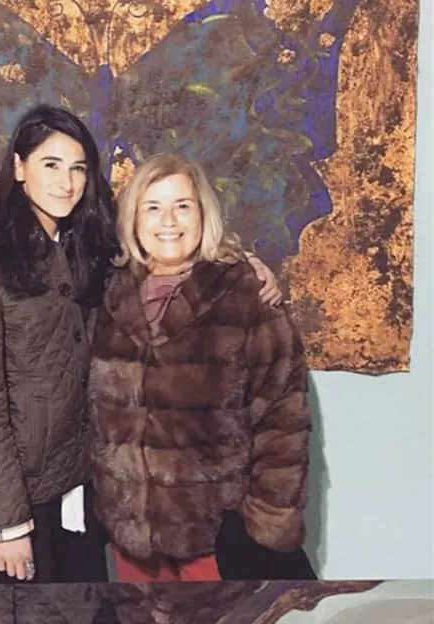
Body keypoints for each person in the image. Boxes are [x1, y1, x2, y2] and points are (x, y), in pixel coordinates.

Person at [0, 105, 283, 584]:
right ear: (19, 168)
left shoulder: (91, 252)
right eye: (50, 164)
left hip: (91, 495)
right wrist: (6, 524)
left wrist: (242, 266)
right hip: (24, 501)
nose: (66, 182)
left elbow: (164, 252)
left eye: (78, 168)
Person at [88, 152, 313, 582]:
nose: (168, 221)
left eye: (182, 206)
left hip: (216, 536)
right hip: (132, 536)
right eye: (153, 208)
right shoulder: (111, 295)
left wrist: (266, 521)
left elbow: (283, 418)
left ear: (203, 214)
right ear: (134, 219)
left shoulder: (244, 295)